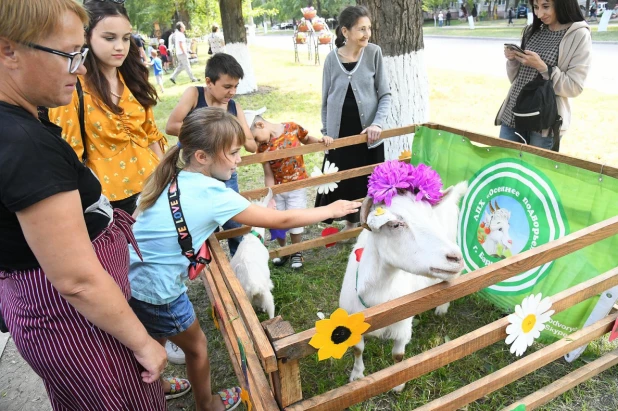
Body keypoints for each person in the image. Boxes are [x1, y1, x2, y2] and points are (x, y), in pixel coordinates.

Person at [128, 107, 361, 411]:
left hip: (132, 277)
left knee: (155, 330)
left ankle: (158, 384)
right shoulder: (214, 194)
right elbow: (281, 220)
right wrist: (332, 209)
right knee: (197, 348)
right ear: (202, 157)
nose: (240, 159)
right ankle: (207, 404)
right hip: (159, 291)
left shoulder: (174, 174)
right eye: (234, 152)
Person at [0, 1, 167, 409]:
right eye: (70, 54)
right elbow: (78, 280)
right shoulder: (27, 145)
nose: (80, 66)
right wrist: (143, 342)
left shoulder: (21, 123)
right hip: (76, 324)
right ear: (9, 50)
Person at [49, 0, 167, 216]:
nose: (120, 46)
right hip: (111, 200)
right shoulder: (72, 87)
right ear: (87, 37)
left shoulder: (133, 78)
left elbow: (151, 136)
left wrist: (167, 183)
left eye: (125, 38)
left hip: (155, 188)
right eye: (109, 38)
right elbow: (69, 153)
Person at [166, 53, 257, 258]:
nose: (232, 92)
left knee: (234, 220)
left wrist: (242, 137)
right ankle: (210, 265)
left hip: (225, 173)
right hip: (194, 173)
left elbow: (250, 144)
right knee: (204, 223)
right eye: (227, 87)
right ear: (209, 82)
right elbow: (171, 125)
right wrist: (217, 136)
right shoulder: (194, 95)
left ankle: (241, 261)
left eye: (235, 86)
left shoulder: (234, 107)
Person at [315, 5, 391, 232]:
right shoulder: (331, 60)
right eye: (361, 29)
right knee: (345, 180)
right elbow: (326, 100)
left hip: (368, 134)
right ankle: (350, 223)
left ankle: (368, 223)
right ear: (345, 32)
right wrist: (327, 133)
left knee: (366, 179)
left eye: (369, 28)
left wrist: (377, 123)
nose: (367, 34)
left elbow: (385, 94)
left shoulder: (374, 53)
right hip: (340, 134)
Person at [495, 0, 591, 151]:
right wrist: (513, 60)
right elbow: (516, 80)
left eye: (545, 6)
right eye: (535, 7)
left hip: (543, 123)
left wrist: (542, 67)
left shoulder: (578, 34)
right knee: (505, 168)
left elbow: (574, 87)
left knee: (533, 172)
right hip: (513, 113)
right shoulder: (531, 31)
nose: (539, 14)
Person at [250, 115, 334, 268]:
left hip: (297, 186)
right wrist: (271, 195)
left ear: (260, 124)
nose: (256, 143)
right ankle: (284, 250)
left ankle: (297, 251)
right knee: (277, 220)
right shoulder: (262, 147)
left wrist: (321, 142)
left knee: (296, 218)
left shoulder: (292, 128)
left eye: (255, 138)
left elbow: (307, 139)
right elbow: (268, 173)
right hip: (278, 189)